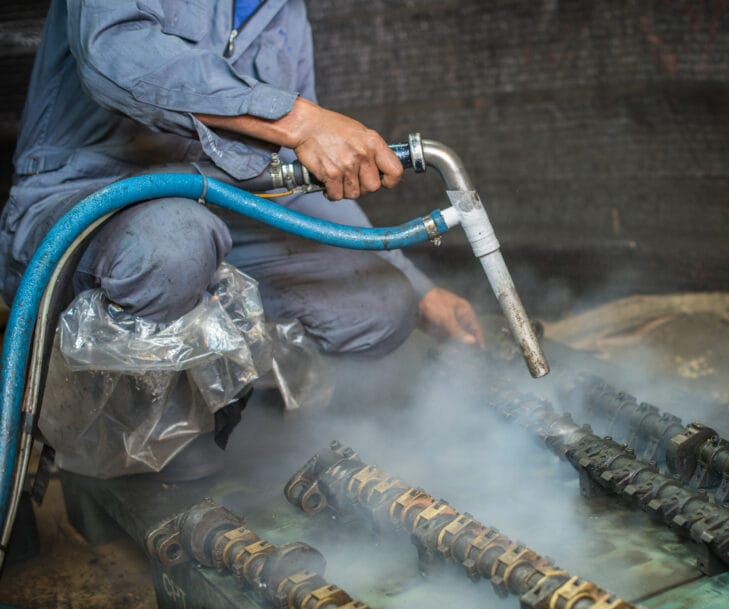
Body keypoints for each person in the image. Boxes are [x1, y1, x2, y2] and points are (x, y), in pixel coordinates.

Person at [1, 0, 484, 359]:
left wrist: (418, 288)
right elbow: (116, 55)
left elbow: (297, 180)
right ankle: (136, 464)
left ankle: (252, 421)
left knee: (377, 302)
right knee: (175, 244)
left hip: (223, 212)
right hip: (83, 202)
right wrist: (298, 120)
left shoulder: (286, 15)